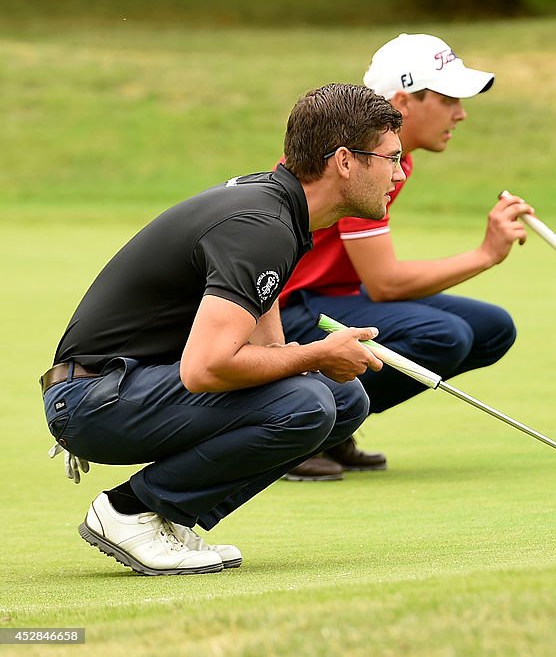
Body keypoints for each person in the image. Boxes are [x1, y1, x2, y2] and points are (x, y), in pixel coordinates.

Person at [40, 83, 404, 575]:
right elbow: (206, 367)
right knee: (310, 401)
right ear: (344, 160)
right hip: (92, 400)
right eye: (391, 158)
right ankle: (132, 511)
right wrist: (317, 355)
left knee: (342, 400)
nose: (398, 174)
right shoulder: (263, 225)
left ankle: (166, 517)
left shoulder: (279, 209)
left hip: (124, 387)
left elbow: (264, 346)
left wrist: (303, 362)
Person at [279, 33, 534, 480]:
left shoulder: (390, 154)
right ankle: (298, 427)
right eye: (448, 97)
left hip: (332, 293)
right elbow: (386, 283)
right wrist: (486, 254)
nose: (461, 112)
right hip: (287, 307)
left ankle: (333, 428)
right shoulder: (360, 158)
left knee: (492, 329)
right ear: (403, 101)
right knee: (445, 336)